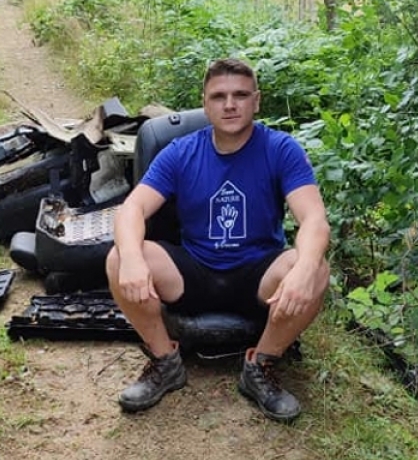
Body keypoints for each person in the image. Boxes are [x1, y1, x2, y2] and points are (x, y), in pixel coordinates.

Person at [105, 57, 330, 420]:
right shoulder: (180, 152)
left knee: (316, 268)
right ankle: (165, 362)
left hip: (258, 274)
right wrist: (132, 259)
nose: (229, 104)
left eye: (240, 95)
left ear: (256, 101)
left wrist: (304, 268)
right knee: (119, 257)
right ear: (205, 103)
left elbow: (314, 219)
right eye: (218, 96)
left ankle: (261, 366)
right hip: (193, 270)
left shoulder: (281, 149)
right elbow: (132, 209)